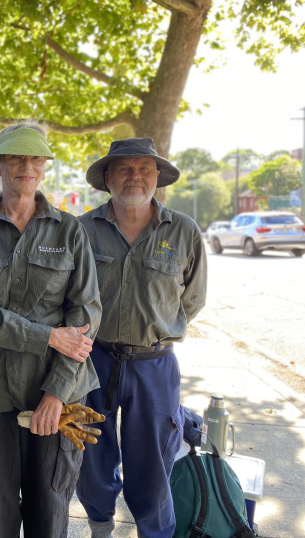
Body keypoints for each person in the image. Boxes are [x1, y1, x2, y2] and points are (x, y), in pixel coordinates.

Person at [0, 123, 102, 538]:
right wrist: (48, 335)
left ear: (44, 168)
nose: (27, 166)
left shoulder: (69, 230)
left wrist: (56, 393)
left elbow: (86, 316)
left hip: (58, 385)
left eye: (36, 158)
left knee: (50, 505)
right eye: (16, 157)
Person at [75, 138, 207, 538]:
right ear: (108, 178)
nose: (135, 176)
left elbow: (193, 299)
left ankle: (155, 532)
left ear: (156, 177)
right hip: (92, 360)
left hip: (155, 363)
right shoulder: (82, 230)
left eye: (144, 169)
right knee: (92, 457)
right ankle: (100, 525)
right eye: (125, 169)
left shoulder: (184, 231)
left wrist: (157, 327)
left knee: (152, 468)